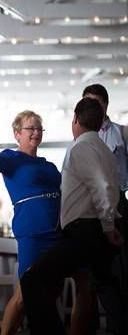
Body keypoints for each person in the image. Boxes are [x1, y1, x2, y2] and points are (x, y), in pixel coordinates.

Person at [0, 110, 91, 335]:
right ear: (17, 134)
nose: (36, 132)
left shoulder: (49, 166)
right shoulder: (10, 158)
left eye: (39, 128)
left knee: (84, 281)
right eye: (31, 128)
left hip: (61, 232)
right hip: (34, 234)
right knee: (23, 295)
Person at [21, 97, 127, 334]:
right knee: (104, 285)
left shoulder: (81, 148)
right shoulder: (104, 150)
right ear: (101, 123)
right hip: (95, 229)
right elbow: (109, 188)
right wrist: (109, 225)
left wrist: (108, 227)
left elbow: (101, 186)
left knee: (33, 281)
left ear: (75, 120)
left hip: (86, 231)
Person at [83, 84, 128, 313]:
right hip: (90, 205)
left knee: (122, 264)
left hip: (118, 201)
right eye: (87, 102)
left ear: (105, 105)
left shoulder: (121, 132)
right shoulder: (80, 137)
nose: (91, 108)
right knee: (97, 267)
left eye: (96, 102)